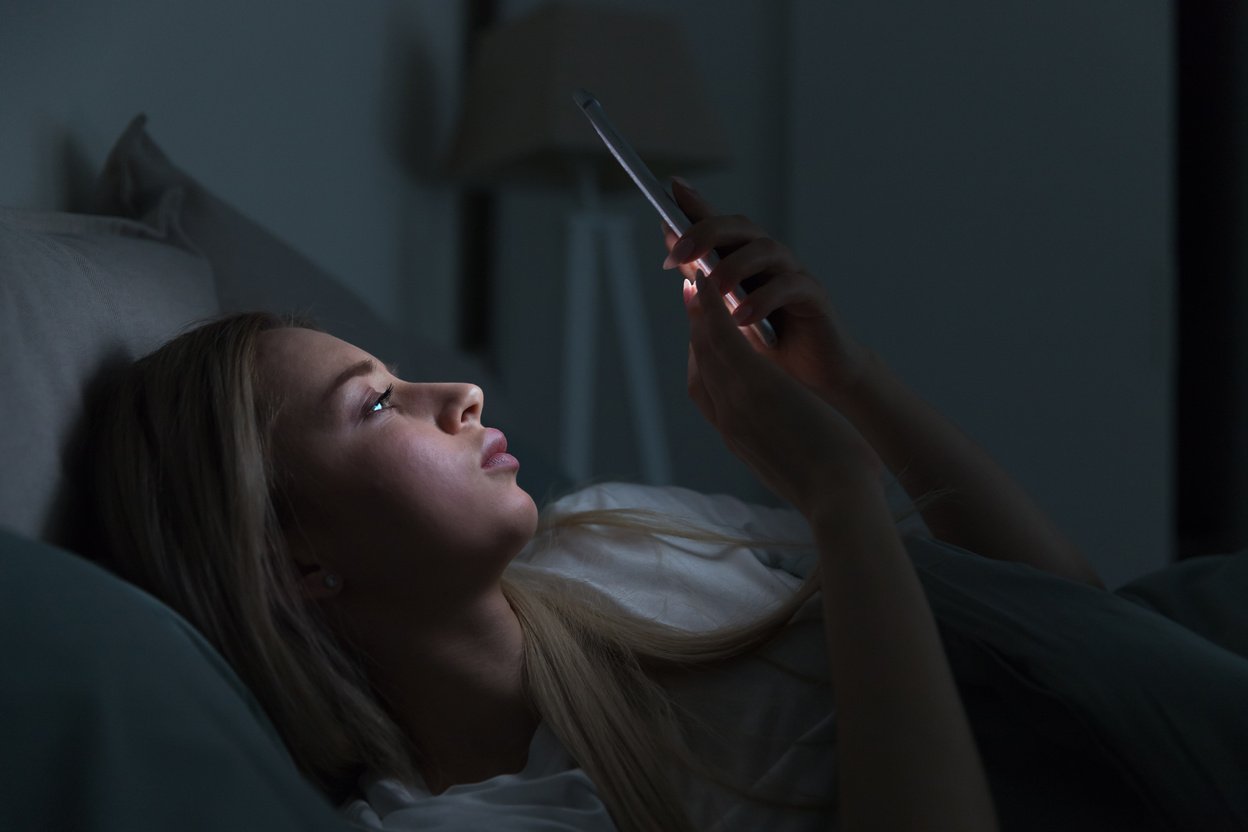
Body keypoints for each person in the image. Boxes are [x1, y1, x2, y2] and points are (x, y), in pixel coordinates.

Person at [86, 176, 1129, 832]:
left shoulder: (617, 531)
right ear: (293, 562)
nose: (459, 397)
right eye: (375, 404)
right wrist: (839, 493)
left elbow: (1086, 625)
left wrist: (854, 381)